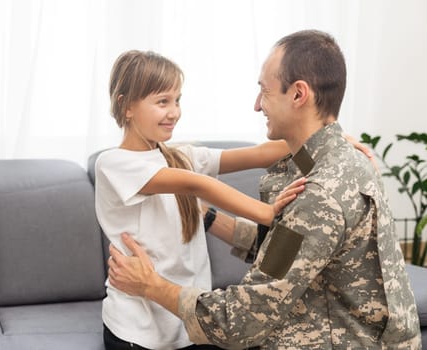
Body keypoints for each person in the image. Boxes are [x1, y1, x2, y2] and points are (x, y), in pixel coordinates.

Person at [107, 30, 422, 349]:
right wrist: (208, 217)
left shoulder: (322, 190)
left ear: (298, 94)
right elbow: (292, 248)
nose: (258, 105)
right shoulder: (336, 163)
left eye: (265, 91)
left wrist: (151, 286)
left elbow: (241, 320)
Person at [95, 50, 307, 350]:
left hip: (188, 329)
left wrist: (328, 140)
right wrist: (268, 213)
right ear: (127, 107)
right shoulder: (114, 163)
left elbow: (260, 153)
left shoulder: (180, 156)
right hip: (138, 334)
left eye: (177, 100)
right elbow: (196, 184)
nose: (174, 112)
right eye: (162, 101)